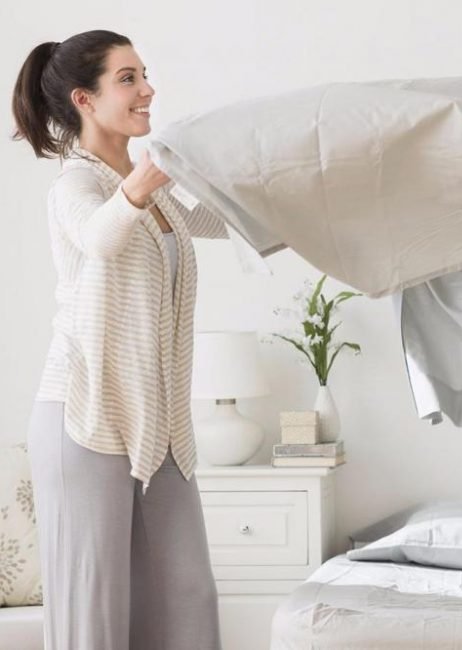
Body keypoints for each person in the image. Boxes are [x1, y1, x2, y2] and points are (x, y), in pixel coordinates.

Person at [12, 29, 227, 650]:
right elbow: (101, 238)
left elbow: (234, 219)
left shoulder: (156, 193)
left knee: (188, 597)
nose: (147, 90)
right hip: (83, 416)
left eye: (144, 75)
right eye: (128, 78)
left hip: (158, 424)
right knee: (94, 606)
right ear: (84, 99)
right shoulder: (76, 187)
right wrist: (143, 181)